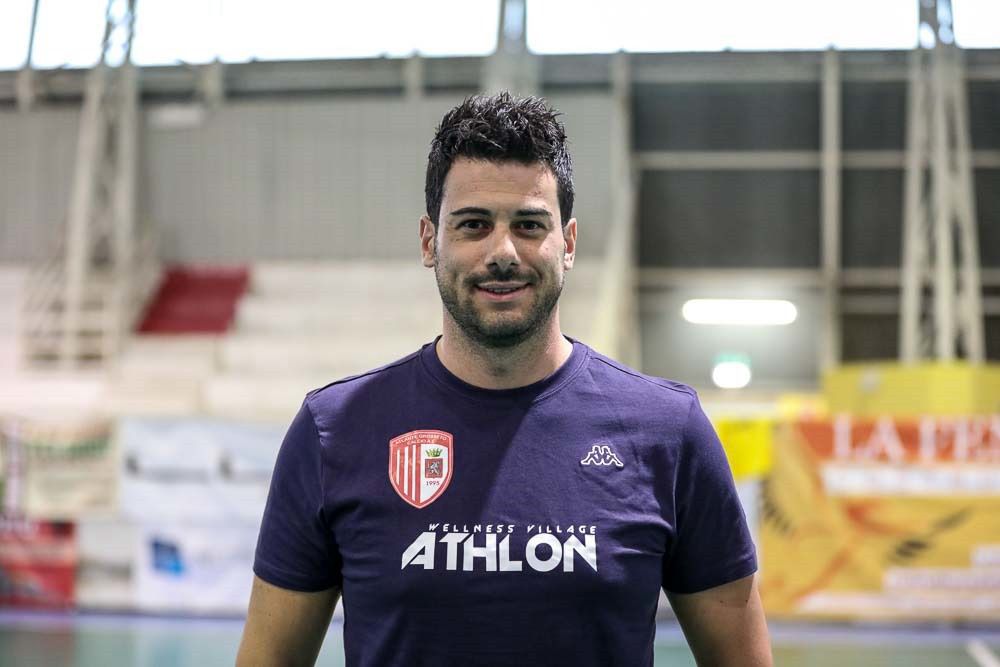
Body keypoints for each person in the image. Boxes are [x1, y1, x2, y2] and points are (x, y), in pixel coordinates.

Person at [237, 92, 772, 667]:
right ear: (429, 242)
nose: (503, 251)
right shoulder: (334, 431)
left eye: (529, 225)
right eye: (473, 225)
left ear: (568, 244)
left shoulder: (668, 431)